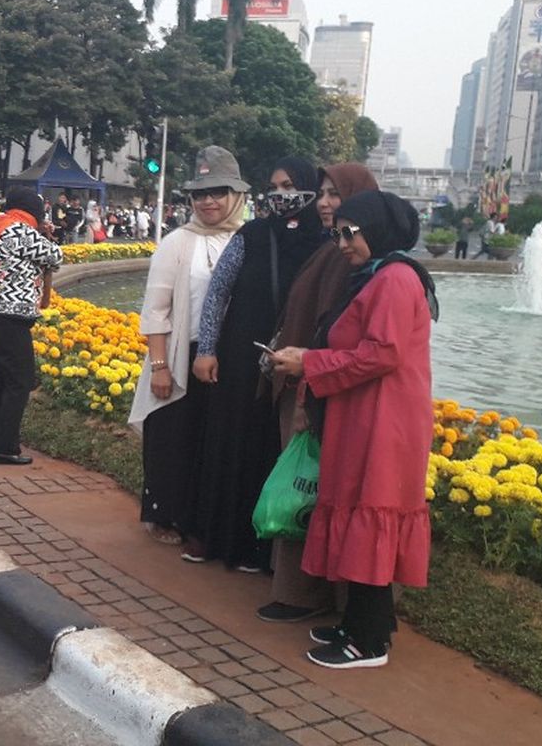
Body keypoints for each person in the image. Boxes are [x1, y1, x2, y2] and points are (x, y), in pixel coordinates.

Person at [270, 190, 437, 669]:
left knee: (371, 516)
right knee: (363, 514)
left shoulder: (395, 279)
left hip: (382, 421)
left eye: (349, 232)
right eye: (337, 232)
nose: (341, 242)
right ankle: (367, 625)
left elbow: (381, 353)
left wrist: (309, 361)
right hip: (365, 414)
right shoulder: (378, 275)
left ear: (377, 231)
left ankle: (366, 643)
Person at [256, 162, 379, 624]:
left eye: (335, 195)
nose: (325, 203)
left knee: (310, 488)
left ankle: (309, 595)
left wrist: (308, 381)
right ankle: (302, 589)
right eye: (322, 193)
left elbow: (347, 338)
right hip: (307, 382)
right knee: (305, 486)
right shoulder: (334, 250)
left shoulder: (362, 262)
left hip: (322, 388)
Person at [189, 154, 324, 571]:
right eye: (275, 186)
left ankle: (261, 551)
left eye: (289, 186)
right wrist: (206, 349)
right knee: (230, 443)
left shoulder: (327, 243)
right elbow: (217, 293)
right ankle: (215, 537)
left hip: (294, 365)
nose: (281, 195)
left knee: (272, 448)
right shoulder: (251, 234)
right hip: (240, 358)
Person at [128, 150, 243, 545]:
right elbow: (155, 310)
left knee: (207, 441)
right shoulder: (177, 243)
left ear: (236, 195)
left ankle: (197, 515)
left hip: (225, 359)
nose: (208, 201)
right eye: (200, 194)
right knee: (171, 437)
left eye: (218, 192)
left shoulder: (245, 240)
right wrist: (160, 367)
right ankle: (162, 515)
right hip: (178, 354)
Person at [0, 187, 63, 465]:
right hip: (9, 315)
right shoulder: (21, 231)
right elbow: (55, 257)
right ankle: (6, 448)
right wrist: (45, 235)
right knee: (20, 381)